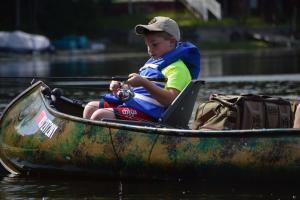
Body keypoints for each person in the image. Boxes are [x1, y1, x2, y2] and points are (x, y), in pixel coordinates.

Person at [83, 16, 200, 122]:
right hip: (135, 106)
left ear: (172, 42)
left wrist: (144, 82)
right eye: (147, 44)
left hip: (152, 114)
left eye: (154, 44)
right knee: (89, 107)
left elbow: (170, 100)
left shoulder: (177, 69)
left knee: (99, 115)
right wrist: (121, 86)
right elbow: (137, 92)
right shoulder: (153, 63)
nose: (149, 50)